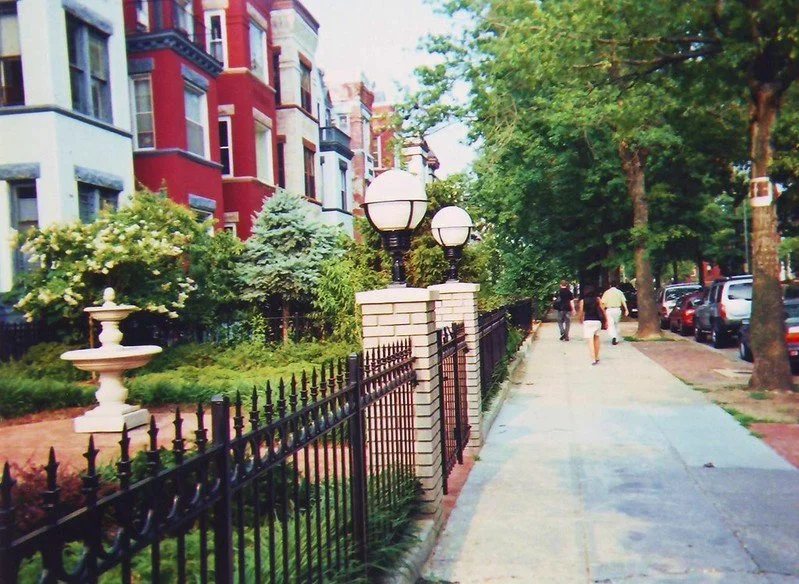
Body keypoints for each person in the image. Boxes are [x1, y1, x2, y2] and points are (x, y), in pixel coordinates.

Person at [579, 284, 605, 365]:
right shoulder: (598, 299)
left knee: (590, 340)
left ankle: (593, 358)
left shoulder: (583, 301)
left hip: (588, 321)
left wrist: (580, 319)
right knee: (597, 338)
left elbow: (581, 312)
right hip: (597, 321)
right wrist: (605, 319)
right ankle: (597, 356)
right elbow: (603, 309)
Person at [601, 280, 629, 345]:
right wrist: (626, 309)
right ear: (617, 286)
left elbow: (603, 303)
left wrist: (602, 310)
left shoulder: (607, 292)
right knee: (616, 324)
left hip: (609, 310)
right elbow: (623, 301)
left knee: (611, 324)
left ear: (610, 285)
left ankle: (613, 336)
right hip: (617, 310)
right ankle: (617, 337)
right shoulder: (620, 292)